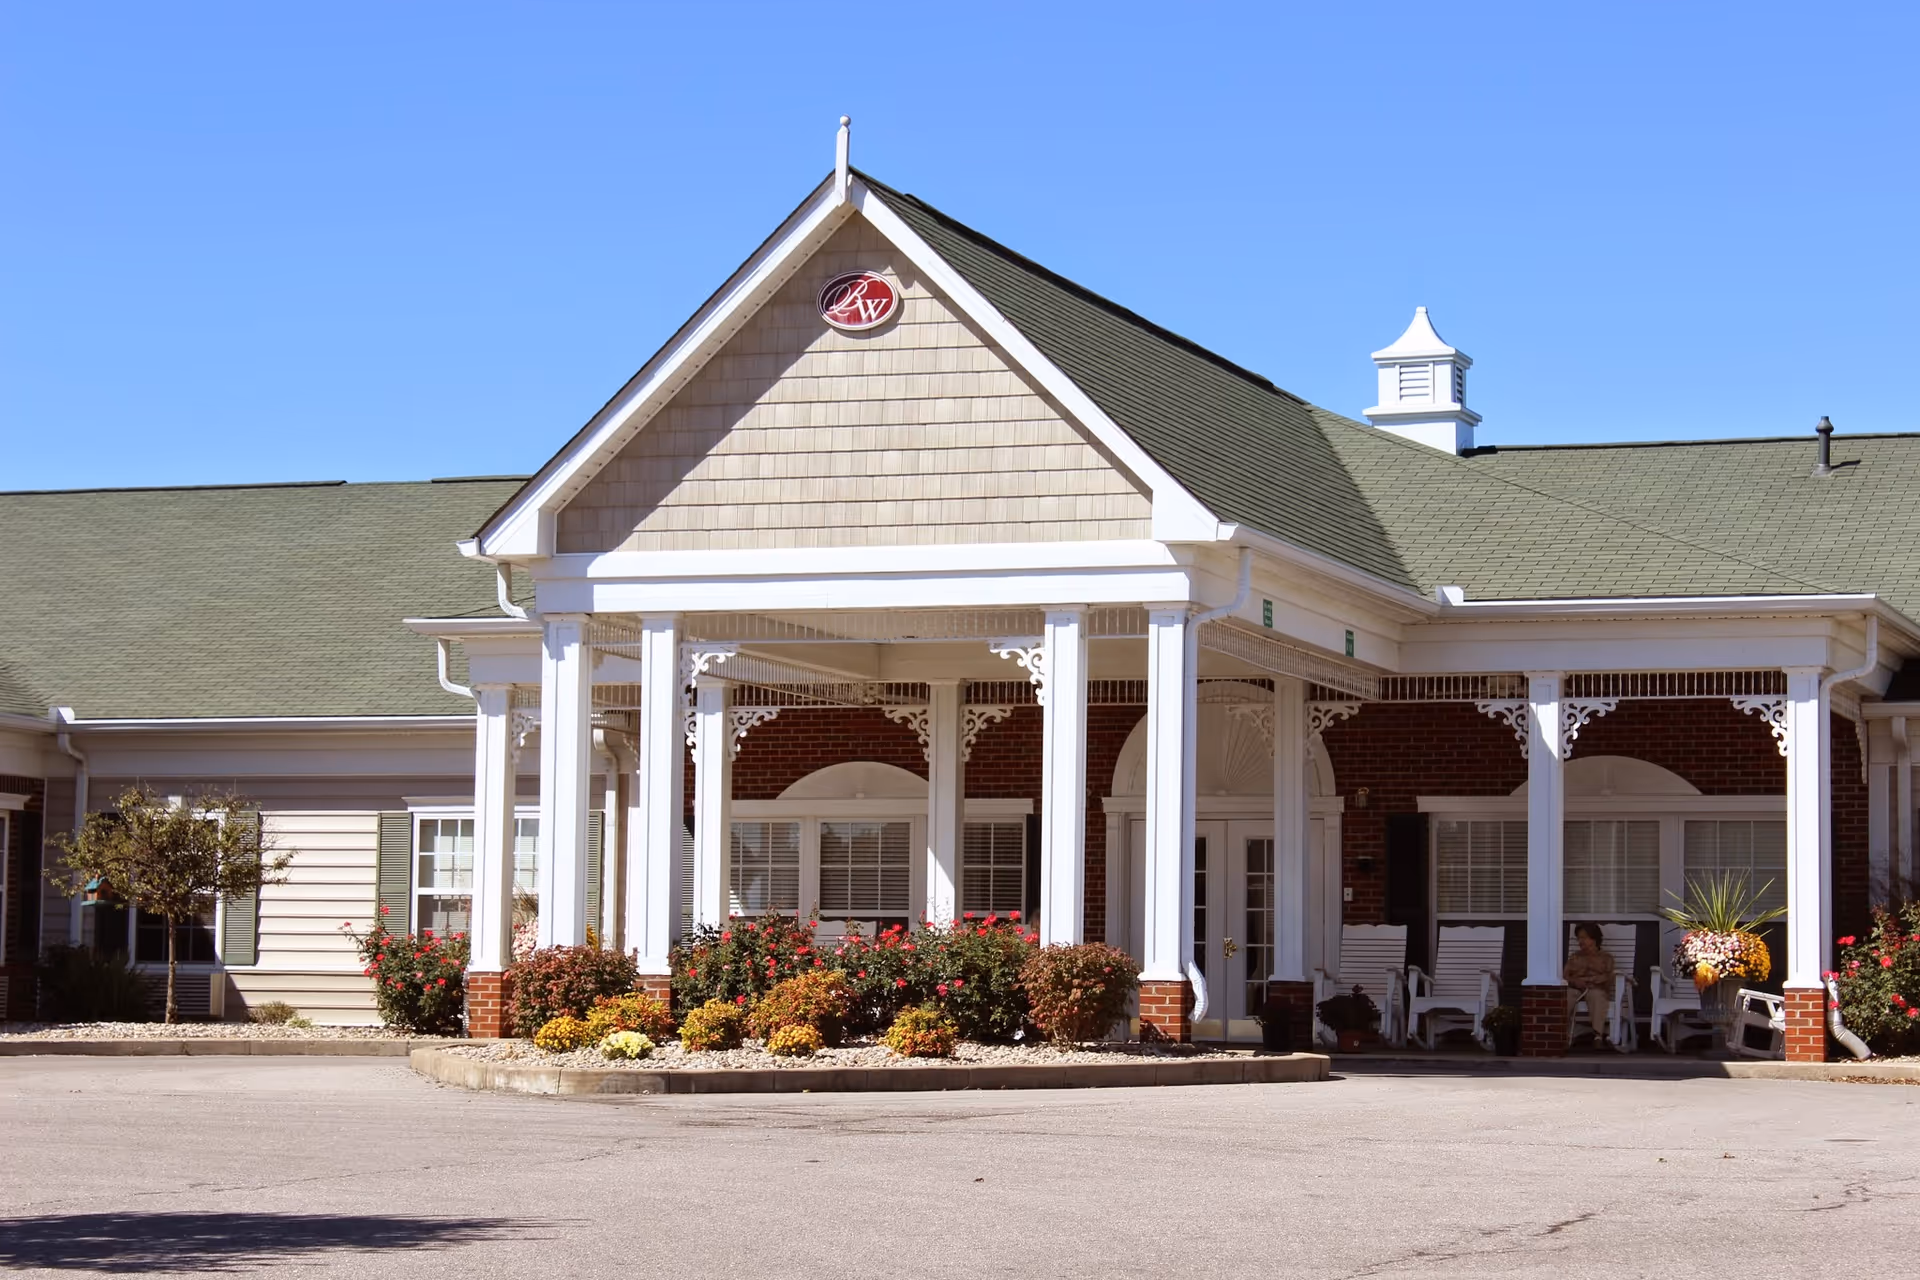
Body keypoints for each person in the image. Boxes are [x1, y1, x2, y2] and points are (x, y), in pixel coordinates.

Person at [1564, 922, 1617, 1050]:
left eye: (1584, 938)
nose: (1580, 941)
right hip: (1576, 989)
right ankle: (1561, 1034)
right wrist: (1575, 981)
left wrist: (1592, 980)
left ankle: (1597, 1036)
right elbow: (1565, 976)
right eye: (1578, 938)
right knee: (1567, 994)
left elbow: (1609, 977)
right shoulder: (1575, 957)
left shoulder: (1606, 958)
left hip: (1596, 989)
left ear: (1594, 939)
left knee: (1596, 995)